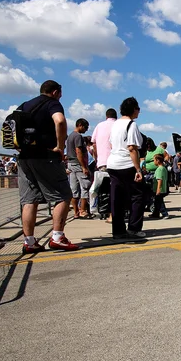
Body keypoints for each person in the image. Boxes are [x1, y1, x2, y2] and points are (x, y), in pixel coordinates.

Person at [16, 80, 79, 253]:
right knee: (64, 195)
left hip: (24, 157)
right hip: (45, 155)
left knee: (29, 199)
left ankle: (29, 241)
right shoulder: (52, 103)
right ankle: (57, 237)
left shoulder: (25, 105)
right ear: (56, 92)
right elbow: (59, 121)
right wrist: (59, 146)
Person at [106, 97, 146, 239]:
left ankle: (118, 230)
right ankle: (134, 228)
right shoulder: (132, 125)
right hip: (127, 164)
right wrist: (138, 169)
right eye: (138, 109)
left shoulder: (115, 124)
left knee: (117, 198)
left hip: (113, 164)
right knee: (137, 196)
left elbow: (111, 144)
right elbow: (132, 148)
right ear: (133, 109)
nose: (139, 112)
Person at [89, 108, 117, 220]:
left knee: (103, 189)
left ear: (106, 116)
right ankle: (113, 214)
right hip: (116, 162)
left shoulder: (99, 126)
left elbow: (94, 144)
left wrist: (97, 158)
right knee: (116, 188)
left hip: (102, 162)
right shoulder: (118, 125)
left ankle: (104, 211)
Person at [66, 118, 92, 219]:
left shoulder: (70, 137)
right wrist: (83, 166)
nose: (86, 130)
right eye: (85, 127)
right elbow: (79, 152)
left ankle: (76, 212)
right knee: (85, 186)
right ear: (80, 125)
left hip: (70, 164)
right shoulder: (78, 137)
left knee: (74, 189)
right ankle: (82, 210)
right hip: (77, 164)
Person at [150, 154, 170, 219]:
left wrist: (158, 189)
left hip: (159, 189)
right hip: (163, 188)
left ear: (158, 160)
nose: (153, 162)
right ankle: (155, 214)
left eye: (154, 160)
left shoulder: (159, 169)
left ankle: (165, 214)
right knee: (156, 202)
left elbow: (159, 180)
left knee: (160, 202)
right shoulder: (164, 168)